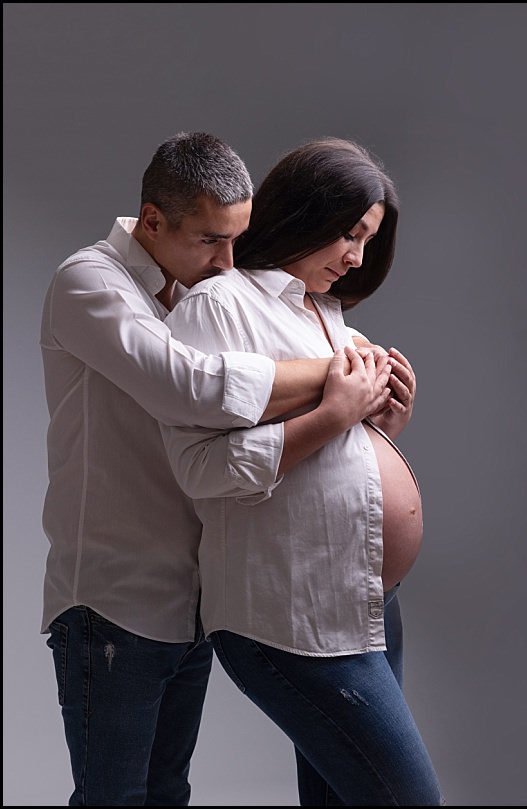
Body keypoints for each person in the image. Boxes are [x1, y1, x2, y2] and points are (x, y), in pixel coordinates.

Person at [39, 131, 370, 806]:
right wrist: (343, 376)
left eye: (237, 239)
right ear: (152, 220)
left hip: (192, 598)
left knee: (167, 793)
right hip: (113, 598)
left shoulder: (201, 290)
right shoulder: (89, 282)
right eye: (211, 240)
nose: (228, 262)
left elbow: (245, 414)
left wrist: (366, 404)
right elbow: (188, 386)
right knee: (114, 799)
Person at [158, 136, 443, 806]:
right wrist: (338, 416)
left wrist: (382, 431)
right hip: (290, 617)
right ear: (303, 210)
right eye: (349, 233)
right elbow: (199, 468)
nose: (356, 258)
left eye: (369, 242)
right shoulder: (220, 307)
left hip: (365, 605)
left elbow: (326, 455)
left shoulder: (329, 315)